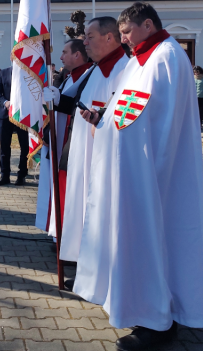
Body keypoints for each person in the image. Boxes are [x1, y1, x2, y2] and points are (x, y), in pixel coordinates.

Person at [75, 2, 203, 350]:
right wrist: (102, 120)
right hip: (132, 167)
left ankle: (157, 322)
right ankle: (139, 307)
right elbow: (126, 110)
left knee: (150, 237)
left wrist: (116, 130)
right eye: (120, 35)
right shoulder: (140, 59)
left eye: (126, 33)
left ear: (147, 24)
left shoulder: (166, 56)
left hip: (151, 170)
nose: (124, 41)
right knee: (132, 237)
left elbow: (158, 119)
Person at [59, 17, 129, 268]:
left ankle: (93, 263)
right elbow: (78, 104)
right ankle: (80, 257)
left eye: (89, 36)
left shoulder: (125, 69)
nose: (84, 42)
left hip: (101, 156)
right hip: (83, 152)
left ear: (109, 38)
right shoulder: (96, 69)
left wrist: (101, 119)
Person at [35, 39, 93, 232]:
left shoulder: (89, 75)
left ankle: (63, 233)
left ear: (77, 55)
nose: (60, 57)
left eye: (64, 52)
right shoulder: (69, 76)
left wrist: (60, 100)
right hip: (58, 140)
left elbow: (82, 105)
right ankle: (57, 231)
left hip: (71, 143)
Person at [0, 65, 32, 187]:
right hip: (6, 115)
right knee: (4, 146)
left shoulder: (28, 72)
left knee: (24, 146)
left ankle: (22, 175)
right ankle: (5, 175)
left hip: (22, 115)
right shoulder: (4, 72)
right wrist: (5, 102)